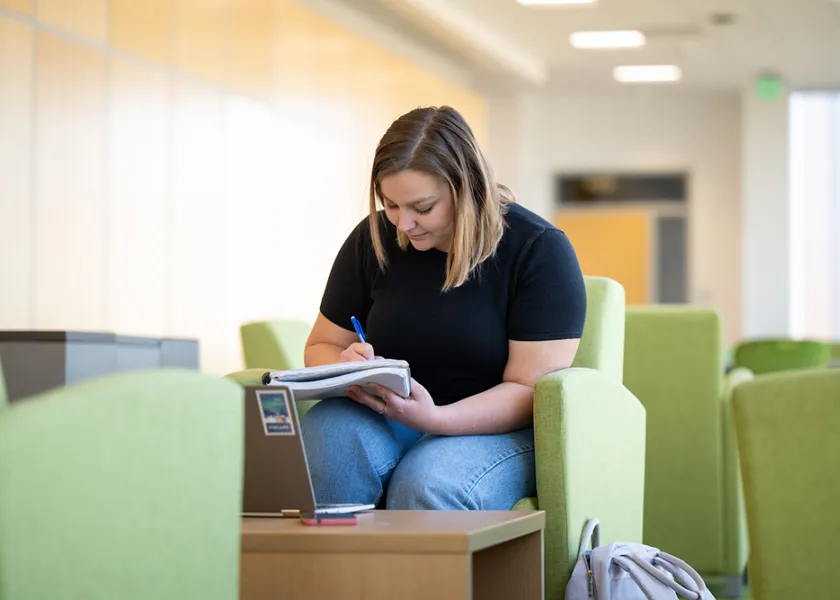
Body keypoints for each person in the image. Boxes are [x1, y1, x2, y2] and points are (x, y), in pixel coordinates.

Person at [300, 105, 586, 510]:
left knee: (426, 483)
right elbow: (321, 347)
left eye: (422, 208)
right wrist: (347, 367)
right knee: (329, 438)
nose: (403, 224)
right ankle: (335, 574)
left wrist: (435, 419)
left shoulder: (539, 250)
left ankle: (417, 576)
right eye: (391, 205)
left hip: (499, 431)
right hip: (392, 418)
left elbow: (528, 391)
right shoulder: (374, 238)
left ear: (467, 187)